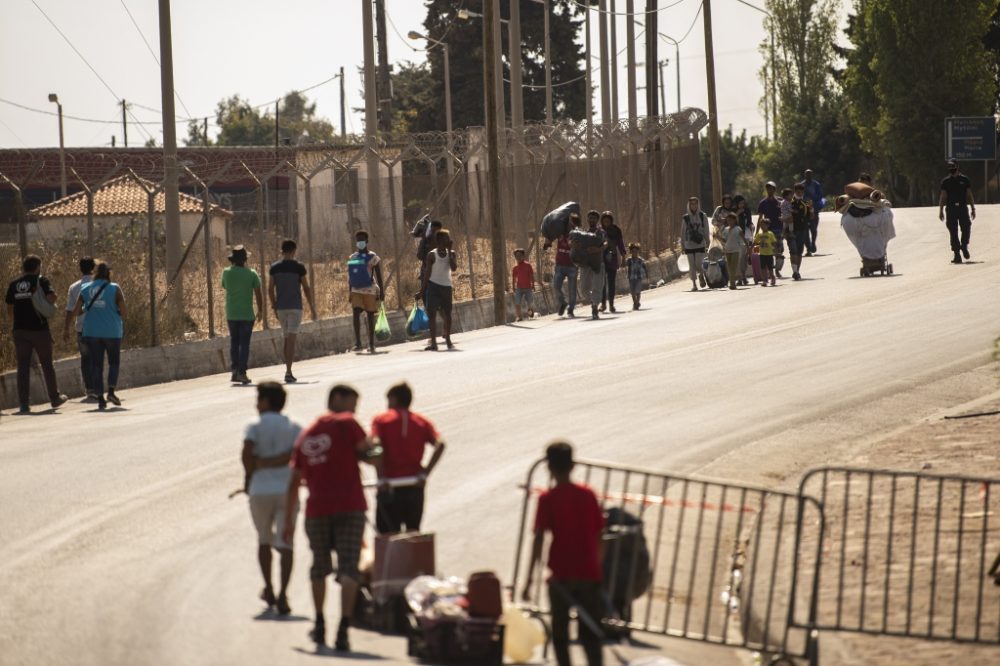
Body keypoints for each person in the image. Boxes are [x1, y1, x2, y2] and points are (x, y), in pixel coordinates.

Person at [283, 384, 380, 651]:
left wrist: (288, 521)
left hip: (317, 511)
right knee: (349, 568)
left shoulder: (307, 433)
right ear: (338, 398)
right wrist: (375, 445)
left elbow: (294, 480)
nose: (354, 409)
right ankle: (343, 629)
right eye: (353, 403)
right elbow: (367, 452)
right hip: (350, 507)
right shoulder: (347, 423)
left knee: (319, 568)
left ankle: (320, 623)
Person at [521, 442, 604, 666]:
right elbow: (599, 535)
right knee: (591, 635)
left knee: (560, 635)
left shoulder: (548, 499)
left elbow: (539, 539)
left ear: (548, 467)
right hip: (589, 574)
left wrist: (529, 578)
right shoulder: (588, 495)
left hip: (561, 576)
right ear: (573, 465)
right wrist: (598, 567)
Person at [242, 381, 300, 616]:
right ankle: (284, 593)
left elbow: (247, 452)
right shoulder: (294, 426)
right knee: (287, 543)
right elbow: (298, 455)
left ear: (265, 402)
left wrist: (251, 474)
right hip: (287, 490)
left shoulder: (254, 425)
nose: (256, 404)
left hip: (260, 490)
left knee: (263, 541)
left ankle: (269, 587)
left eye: (258, 399)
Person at [371, 382, 446, 534]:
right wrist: (426, 472)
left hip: (390, 485)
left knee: (388, 537)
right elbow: (440, 444)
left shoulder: (381, 420)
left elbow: (377, 446)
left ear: (393, 399)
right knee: (413, 533)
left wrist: (381, 477)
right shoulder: (421, 421)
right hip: (414, 484)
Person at [5, 255, 68, 414]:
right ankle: (54, 398)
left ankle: (24, 404)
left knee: (23, 367)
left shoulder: (14, 284)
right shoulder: (42, 280)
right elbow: (52, 297)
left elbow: (9, 308)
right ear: (37, 267)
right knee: (47, 364)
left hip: (20, 331)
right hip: (39, 330)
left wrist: (17, 321)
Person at [73, 262, 126, 411]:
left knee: (96, 365)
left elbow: (77, 311)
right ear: (108, 273)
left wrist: (89, 306)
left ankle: (100, 399)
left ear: (94, 273)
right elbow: (124, 312)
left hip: (92, 332)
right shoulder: (115, 288)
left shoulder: (84, 288)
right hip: (112, 332)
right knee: (114, 362)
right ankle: (111, 392)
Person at [269, 239, 317, 383]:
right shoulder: (299, 267)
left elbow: (270, 289)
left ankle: (287, 369)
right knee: (292, 340)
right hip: (295, 307)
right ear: (294, 251)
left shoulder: (274, 268)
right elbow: (306, 288)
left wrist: (274, 306)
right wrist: (312, 307)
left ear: (282, 251)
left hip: (281, 308)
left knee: (286, 339)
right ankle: (288, 372)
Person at [221, 245, 262, 385]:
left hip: (232, 313)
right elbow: (258, 293)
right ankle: (242, 373)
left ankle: (234, 371)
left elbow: (225, 286)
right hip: (247, 314)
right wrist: (261, 310)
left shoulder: (226, 272)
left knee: (234, 341)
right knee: (244, 344)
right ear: (245, 259)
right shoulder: (252, 274)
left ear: (232, 259)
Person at [62, 256, 95, 399]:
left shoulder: (74, 287)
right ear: (93, 268)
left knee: (86, 359)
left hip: (82, 328)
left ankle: (90, 389)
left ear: (80, 269)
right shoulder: (102, 284)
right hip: (101, 328)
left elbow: (70, 310)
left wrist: (66, 328)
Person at [347, 229, 385, 354]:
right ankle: (358, 343)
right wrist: (349, 292)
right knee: (356, 314)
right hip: (356, 290)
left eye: (362, 240)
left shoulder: (373, 256)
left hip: (370, 289)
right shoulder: (352, 257)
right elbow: (350, 276)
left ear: (367, 241)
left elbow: (378, 274)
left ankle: (371, 343)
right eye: (358, 240)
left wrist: (382, 291)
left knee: (370, 315)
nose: (360, 242)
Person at [420, 229, 457, 350]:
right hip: (433, 287)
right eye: (446, 238)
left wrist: (450, 252)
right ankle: (434, 344)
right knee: (432, 315)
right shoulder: (432, 254)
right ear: (439, 240)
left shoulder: (451, 253)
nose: (449, 240)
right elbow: (427, 274)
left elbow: (453, 267)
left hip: (446, 287)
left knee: (447, 314)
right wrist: (422, 290)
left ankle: (448, 340)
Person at [938, 158, 976, 264]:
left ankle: (964, 246)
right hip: (951, 210)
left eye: (953, 166)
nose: (951, 169)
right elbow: (943, 197)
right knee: (953, 232)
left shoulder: (965, 180)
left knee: (966, 227)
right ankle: (957, 254)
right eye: (949, 167)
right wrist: (940, 210)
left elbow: (969, 195)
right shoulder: (945, 182)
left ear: (957, 166)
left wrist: (973, 208)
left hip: (963, 208)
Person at [544, 213, 579, 318]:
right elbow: (549, 238)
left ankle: (571, 309)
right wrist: (547, 243)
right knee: (556, 286)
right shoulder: (559, 232)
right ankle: (563, 302)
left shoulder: (577, 234)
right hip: (559, 265)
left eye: (572, 222)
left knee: (572, 289)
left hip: (572, 265)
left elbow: (580, 246)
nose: (570, 225)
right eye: (569, 222)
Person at [575, 210, 607, 320]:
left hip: (598, 262)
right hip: (586, 263)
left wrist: (597, 249)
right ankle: (593, 301)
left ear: (597, 220)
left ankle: (594, 307)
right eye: (590, 218)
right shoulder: (583, 233)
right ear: (587, 219)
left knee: (597, 286)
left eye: (594, 218)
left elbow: (605, 243)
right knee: (584, 288)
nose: (592, 220)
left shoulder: (600, 232)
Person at [681, 197, 711, 291]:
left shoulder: (703, 215)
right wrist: (682, 245)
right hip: (689, 244)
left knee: (698, 263)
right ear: (689, 205)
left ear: (698, 205)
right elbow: (682, 232)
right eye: (692, 204)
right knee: (691, 265)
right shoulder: (686, 218)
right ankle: (694, 284)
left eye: (695, 204)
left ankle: (701, 274)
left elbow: (706, 229)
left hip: (700, 243)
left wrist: (708, 242)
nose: (694, 206)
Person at [599, 211, 626, 313]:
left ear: (611, 221)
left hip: (612, 258)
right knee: (602, 282)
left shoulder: (616, 230)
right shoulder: (599, 230)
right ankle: (603, 304)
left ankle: (611, 304)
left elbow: (620, 244)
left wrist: (623, 258)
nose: (606, 222)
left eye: (608, 220)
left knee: (611, 283)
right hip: (601, 259)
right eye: (604, 220)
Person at [757, 181, 784, 278]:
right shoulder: (763, 203)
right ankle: (771, 271)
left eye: (771, 188)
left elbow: (785, 213)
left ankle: (777, 269)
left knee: (779, 250)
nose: (769, 190)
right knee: (769, 251)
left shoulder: (780, 201)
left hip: (778, 228)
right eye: (768, 188)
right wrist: (757, 231)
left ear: (774, 189)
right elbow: (760, 218)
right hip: (768, 230)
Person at [788, 183, 812, 280]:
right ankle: (794, 271)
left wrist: (811, 208)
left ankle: (797, 271)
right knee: (793, 251)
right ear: (795, 192)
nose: (800, 193)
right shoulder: (788, 203)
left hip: (802, 230)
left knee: (799, 251)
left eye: (801, 192)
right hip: (791, 231)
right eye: (798, 192)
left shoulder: (805, 204)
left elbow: (811, 217)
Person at [798, 169, 824, 255]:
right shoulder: (801, 185)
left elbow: (820, 195)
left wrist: (812, 199)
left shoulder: (816, 185)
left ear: (812, 175)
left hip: (814, 210)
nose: (808, 176)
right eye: (806, 174)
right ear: (804, 175)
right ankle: (808, 248)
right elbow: (797, 196)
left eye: (809, 174)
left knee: (813, 228)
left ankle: (813, 243)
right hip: (804, 211)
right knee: (804, 230)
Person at [721, 212, 746, 290]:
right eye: (728, 220)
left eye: (731, 220)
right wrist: (718, 237)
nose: (730, 222)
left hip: (736, 250)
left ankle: (732, 283)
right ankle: (734, 280)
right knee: (729, 267)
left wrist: (748, 248)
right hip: (728, 250)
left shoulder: (738, 229)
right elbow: (724, 240)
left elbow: (743, 239)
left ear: (735, 220)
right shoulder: (725, 229)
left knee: (733, 267)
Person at [733, 196, 754, 286]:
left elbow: (749, 221)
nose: (742, 205)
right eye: (740, 203)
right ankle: (739, 278)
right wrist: (737, 213)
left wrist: (751, 226)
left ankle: (744, 276)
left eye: (743, 203)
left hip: (747, 236)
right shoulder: (734, 211)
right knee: (739, 258)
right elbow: (732, 222)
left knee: (744, 258)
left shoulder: (747, 210)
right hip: (737, 237)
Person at [511, 248, 535, 321]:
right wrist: (513, 287)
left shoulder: (528, 265)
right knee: (517, 302)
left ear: (523, 256)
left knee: (529, 303)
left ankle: (530, 312)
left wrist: (533, 284)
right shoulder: (515, 268)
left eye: (520, 256)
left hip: (528, 287)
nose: (518, 258)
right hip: (519, 288)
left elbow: (531, 276)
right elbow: (514, 278)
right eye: (516, 256)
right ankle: (519, 317)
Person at [753, 219, 777, 287]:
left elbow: (774, 243)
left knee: (770, 268)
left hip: (769, 253)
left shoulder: (770, 234)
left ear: (768, 225)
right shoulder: (759, 234)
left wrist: (776, 251)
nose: (762, 226)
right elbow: (755, 242)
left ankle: (772, 278)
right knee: (763, 268)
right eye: (761, 225)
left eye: (764, 225)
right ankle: (764, 280)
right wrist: (751, 249)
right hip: (762, 254)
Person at [625, 243, 647, 310]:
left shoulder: (641, 260)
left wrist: (646, 276)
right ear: (631, 252)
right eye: (633, 251)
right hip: (631, 278)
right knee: (632, 292)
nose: (635, 253)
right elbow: (626, 266)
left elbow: (644, 268)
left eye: (636, 251)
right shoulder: (629, 260)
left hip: (638, 278)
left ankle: (637, 302)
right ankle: (635, 302)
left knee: (638, 291)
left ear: (638, 251)